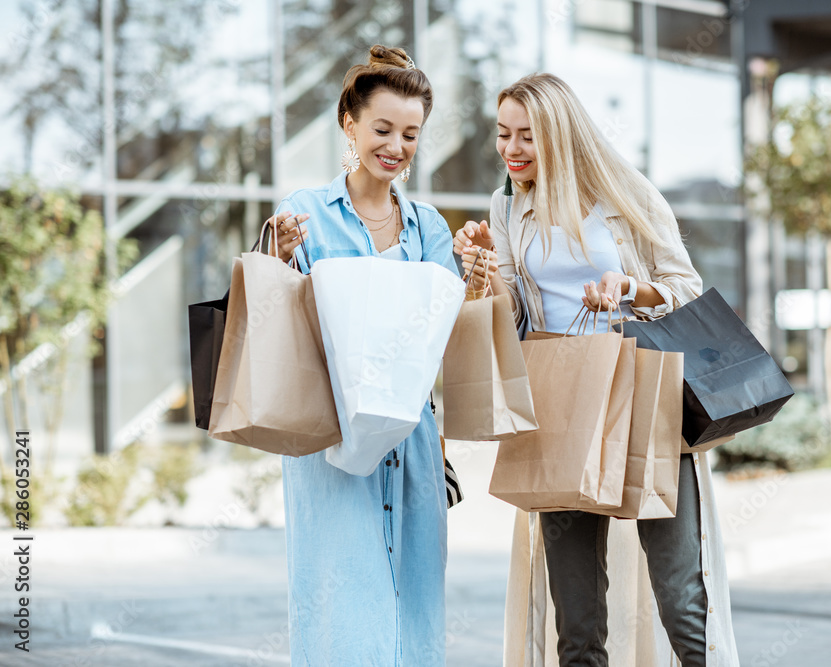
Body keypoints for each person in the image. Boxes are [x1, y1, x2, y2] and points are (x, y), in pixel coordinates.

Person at [454, 73, 739, 666]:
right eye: (503, 134)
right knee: (575, 614)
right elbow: (510, 312)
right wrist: (481, 270)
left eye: (527, 136)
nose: (511, 150)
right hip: (557, 399)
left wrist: (630, 286)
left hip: (640, 393)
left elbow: (687, 286)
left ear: (559, 133)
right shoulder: (507, 204)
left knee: (680, 591)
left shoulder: (623, 192)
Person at [265, 45, 457, 666]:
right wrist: (277, 258)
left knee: (416, 602)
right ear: (348, 123)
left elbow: (445, 337)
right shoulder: (306, 213)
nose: (395, 147)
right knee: (341, 599)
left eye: (410, 134)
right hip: (330, 439)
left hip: (414, 439)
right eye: (382, 129)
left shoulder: (428, 226)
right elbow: (275, 322)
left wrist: (477, 278)